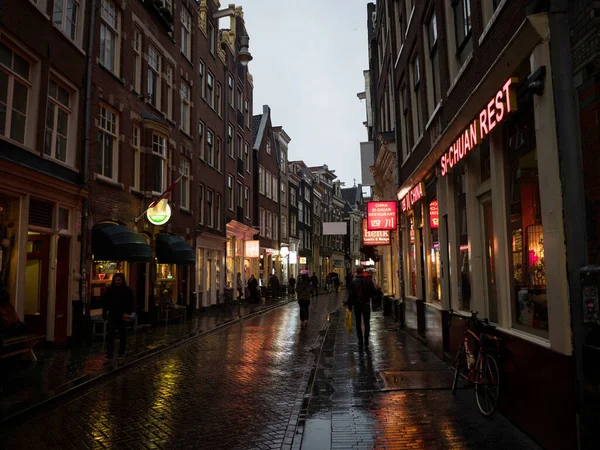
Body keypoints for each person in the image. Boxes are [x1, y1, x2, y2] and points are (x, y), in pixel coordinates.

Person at [102, 273, 134, 363]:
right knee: (110, 335)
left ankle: (121, 353)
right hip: (112, 314)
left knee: (122, 335)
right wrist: (104, 313)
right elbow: (106, 302)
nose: (117, 282)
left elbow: (130, 302)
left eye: (119, 280)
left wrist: (127, 313)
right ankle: (109, 353)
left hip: (122, 315)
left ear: (122, 280)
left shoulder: (127, 290)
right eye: (116, 280)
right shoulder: (110, 290)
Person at [348, 267, 376, 348]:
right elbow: (373, 292)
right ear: (363, 272)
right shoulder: (368, 280)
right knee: (367, 323)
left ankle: (360, 340)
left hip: (357, 305)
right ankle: (366, 339)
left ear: (356, 272)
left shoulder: (353, 282)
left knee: (358, 323)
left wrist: (350, 306)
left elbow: (351, 295)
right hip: (366, 304)